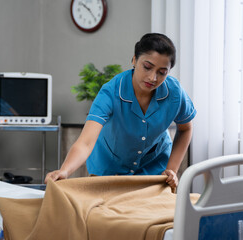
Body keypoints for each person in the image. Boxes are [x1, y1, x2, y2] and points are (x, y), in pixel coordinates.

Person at [45, 33, 196, 191]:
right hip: (109, 168)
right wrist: (65, 171)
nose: (153, 77)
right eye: (147, 67)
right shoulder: (111, 92)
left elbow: (185, 128)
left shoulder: (174, 92)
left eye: (162, 72)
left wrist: (171, 169)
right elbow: (86, 142)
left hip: (154, 168)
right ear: (134, 60)